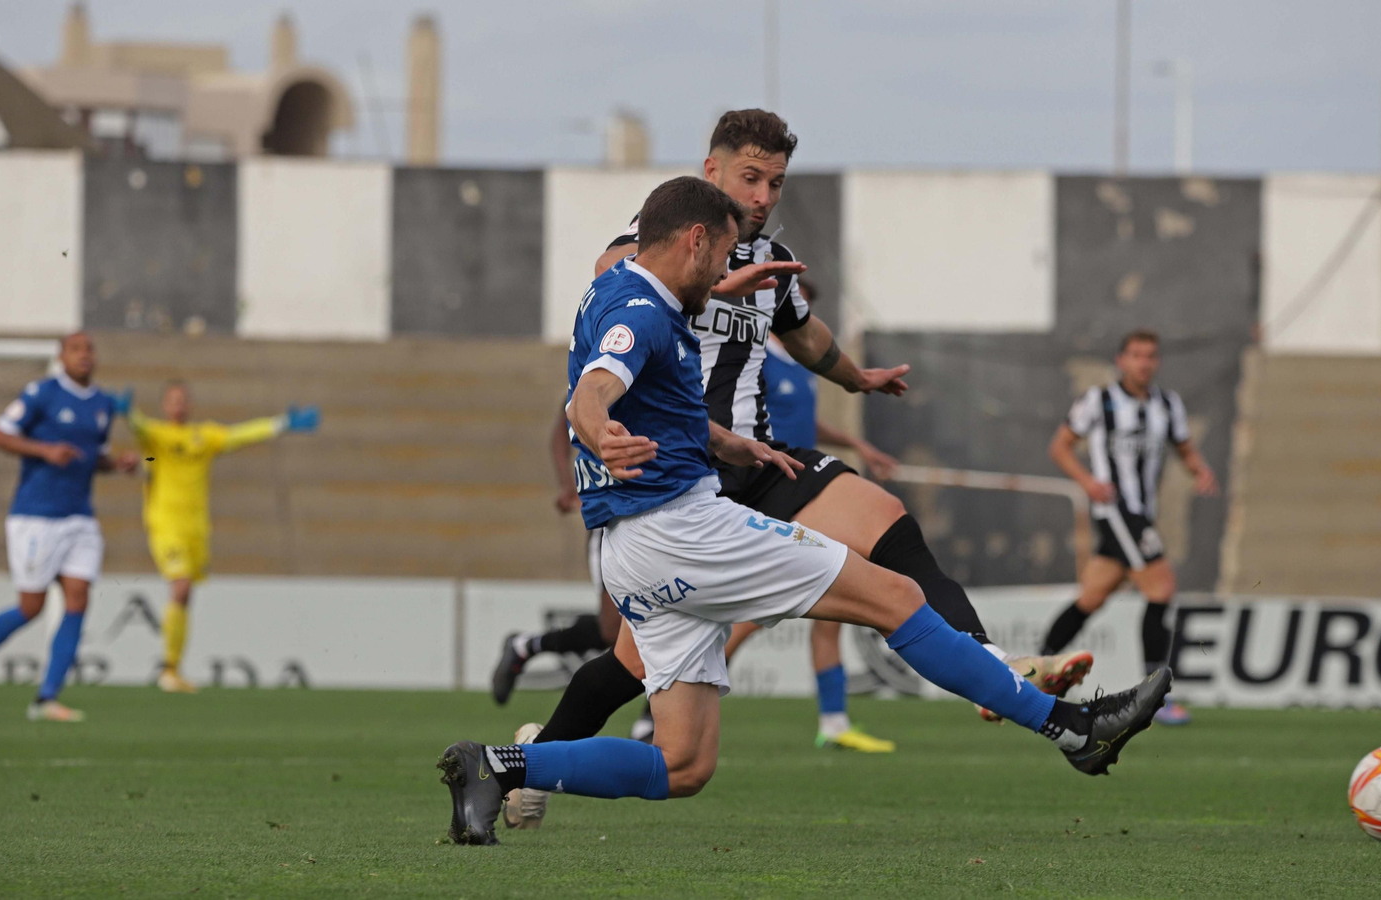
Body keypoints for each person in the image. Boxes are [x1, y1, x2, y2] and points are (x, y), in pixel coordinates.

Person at [437, 177, 1172, 845]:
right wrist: (599, 434)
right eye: (723, 256)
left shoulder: (615, 291)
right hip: (683, 530)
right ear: (696, 240)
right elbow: (591, 395)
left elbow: (650, 395)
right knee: (897, 596)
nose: (728, 274)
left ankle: (498, 766)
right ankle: (1074, 730)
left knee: (683, 763)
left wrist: (728, 442)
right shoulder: (642, 313)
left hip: (630, 551)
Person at [519, 109, 1094, 756]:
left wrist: (857, 378)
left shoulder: (774, 260)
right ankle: (533, 759)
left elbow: (807, 335)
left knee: (887, 520)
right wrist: (717, 285)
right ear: (712, 171)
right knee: (624, 665)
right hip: (686, 473)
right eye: (751, 177)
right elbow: (612, 270)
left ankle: (993, 662)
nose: (764, 196)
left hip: (761, 458)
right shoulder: (670, 242)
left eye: (777, 183)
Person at [722, 276, 901, 752]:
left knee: (830, 608)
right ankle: (660, 714)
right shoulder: (753, 354)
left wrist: (858, 444)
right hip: (775, 492)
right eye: (794, 307)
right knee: (753, 614)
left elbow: (807, 421)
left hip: (806, 485)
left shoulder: (798, 364)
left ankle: (834, 720)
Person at [0, 332, 138, 722]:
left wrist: (117, 464)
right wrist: (45, 450)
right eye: (76, 349)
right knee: (31, 606)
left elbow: (94, 457)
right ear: (61, 356)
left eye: (90, 349)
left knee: (78, 598)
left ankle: (46, 697)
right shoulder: (41, 393)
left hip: (80, 516)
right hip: (36, 515)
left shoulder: (103, 404)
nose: (84, 355)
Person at [1039, 330, 1217, 726]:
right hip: (1116, 510)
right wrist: (1087, 483)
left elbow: (1183, 446)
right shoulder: (1098, 401)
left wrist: (1199, 470)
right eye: (1136, 355)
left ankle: (1036, 673)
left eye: (1151, 356)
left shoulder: (1167, 405)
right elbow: (1060, 446)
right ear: (1121, 361)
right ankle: (1154, 697)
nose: (1144, 363)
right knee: (1162, 587)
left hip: (1142, 513)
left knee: (1092, 597)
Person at [121, 381, 321, 693]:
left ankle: (173, 669)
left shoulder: (204, 436)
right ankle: (168, 670)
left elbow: (240, 435)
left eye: (183, 400)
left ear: (190, 405)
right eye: (172, 400)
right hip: (165, 525)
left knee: (186, 595)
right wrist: (127, 413)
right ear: (163, 405)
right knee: (181, 585)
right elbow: (141, 433)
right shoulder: (156, 437)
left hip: (197, 529)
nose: (178, 405)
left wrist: (282, 423)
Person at [487, 404, 621, 708]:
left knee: (643, 626)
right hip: (612, 520)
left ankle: (650, 725)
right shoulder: (609, 366)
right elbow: (564, 425)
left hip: (662, 517)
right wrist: (567, 483)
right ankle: (526, 646)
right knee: (613, 630)